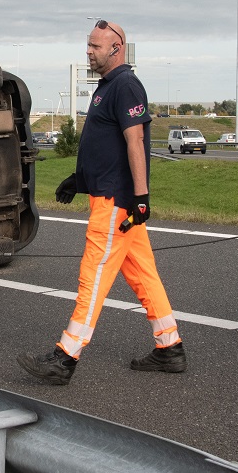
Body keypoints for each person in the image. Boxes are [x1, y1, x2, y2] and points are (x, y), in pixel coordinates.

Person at [19, 20, 184, 384]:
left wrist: (141, 198)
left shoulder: (125, 85)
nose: (89, 52)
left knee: (92, 275)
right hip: (108, 195)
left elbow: (134, 143)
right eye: (88, 46)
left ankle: (65, 357)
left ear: (117, 47)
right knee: (143, 275)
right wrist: (78, 179)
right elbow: (102, 146)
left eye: (95, 46)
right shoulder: (106, 88)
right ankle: (169, 348)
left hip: (117, 203)